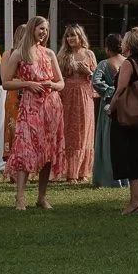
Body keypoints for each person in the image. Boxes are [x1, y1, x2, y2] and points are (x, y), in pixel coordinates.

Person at [1, 17, 63, 211]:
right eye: (40, 29)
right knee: (25, 149)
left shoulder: (50, 53)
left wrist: (52, 85)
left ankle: (42, 197)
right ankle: (20, 197)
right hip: (29, 106)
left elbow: (61, 83)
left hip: (50, 106)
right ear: (31, 29)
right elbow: (6, 82)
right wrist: (28, 84)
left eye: (46, 29)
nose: (43, 32)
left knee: (47, 151)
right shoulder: (19, 53)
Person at [107, 27, 138, 213]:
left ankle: (134, 202)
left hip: (129, 116)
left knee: (133, 157)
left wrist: (110, 107)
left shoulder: (129, 63)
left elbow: (120, 89)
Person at [56, 24, 98, 183]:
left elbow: (97, 79)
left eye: (73, 35)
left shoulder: (89, 54)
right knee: (69, 132)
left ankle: (83, 172)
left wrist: (88, 72)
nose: (70, 38)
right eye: (68, 36)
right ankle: (69, 172)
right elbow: (57, 76)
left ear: (81, 36)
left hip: (85, 95)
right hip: (67, 95)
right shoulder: (62, 55)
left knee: (84, 131)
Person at [91, 33, 123, 189]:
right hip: (125, 104)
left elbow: (95, 81)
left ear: (107, 47)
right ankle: (124, 178)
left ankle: (106, 178)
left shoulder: (104, 64)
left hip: (109, 105)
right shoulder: (128, 63)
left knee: (107, 140)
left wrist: (110, 91)